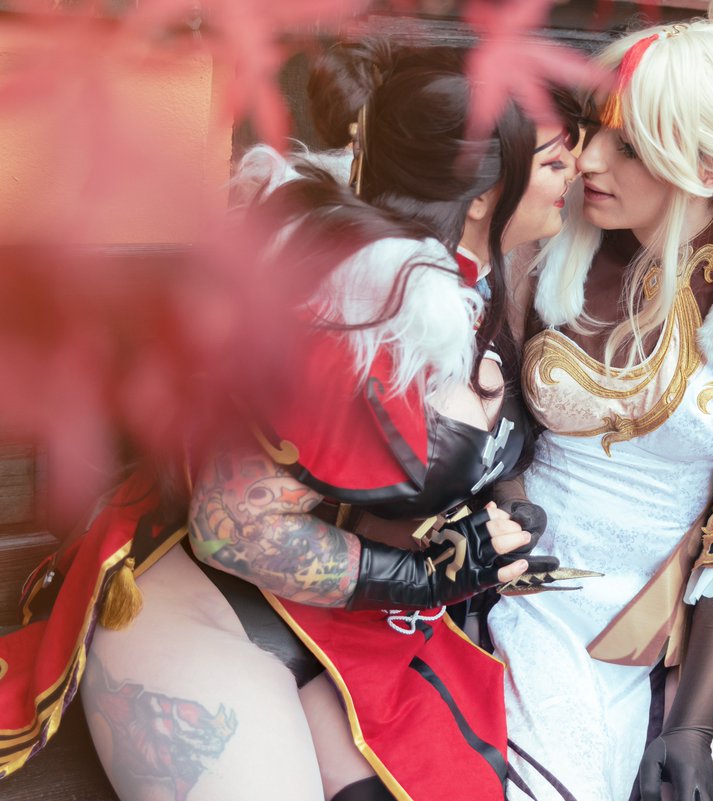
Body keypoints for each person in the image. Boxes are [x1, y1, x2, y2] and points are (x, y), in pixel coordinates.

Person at [0, 40, 578, 801]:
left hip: (360, 630)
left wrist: (498, 518)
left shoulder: (485, 278)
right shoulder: (347, 306)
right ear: (482, 195)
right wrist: (425, 576)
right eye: (556, 161)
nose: (578, 174)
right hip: (213, 603)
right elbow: (230, 528)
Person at [485, 3, 713, 800]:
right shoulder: (542, 248)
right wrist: (503, 527)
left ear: (710, 165)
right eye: (591, 129)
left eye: (630, 146)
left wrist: (691, 727)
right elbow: (493, 423)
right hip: (521, 594)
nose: (587, 159)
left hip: (674, 620)